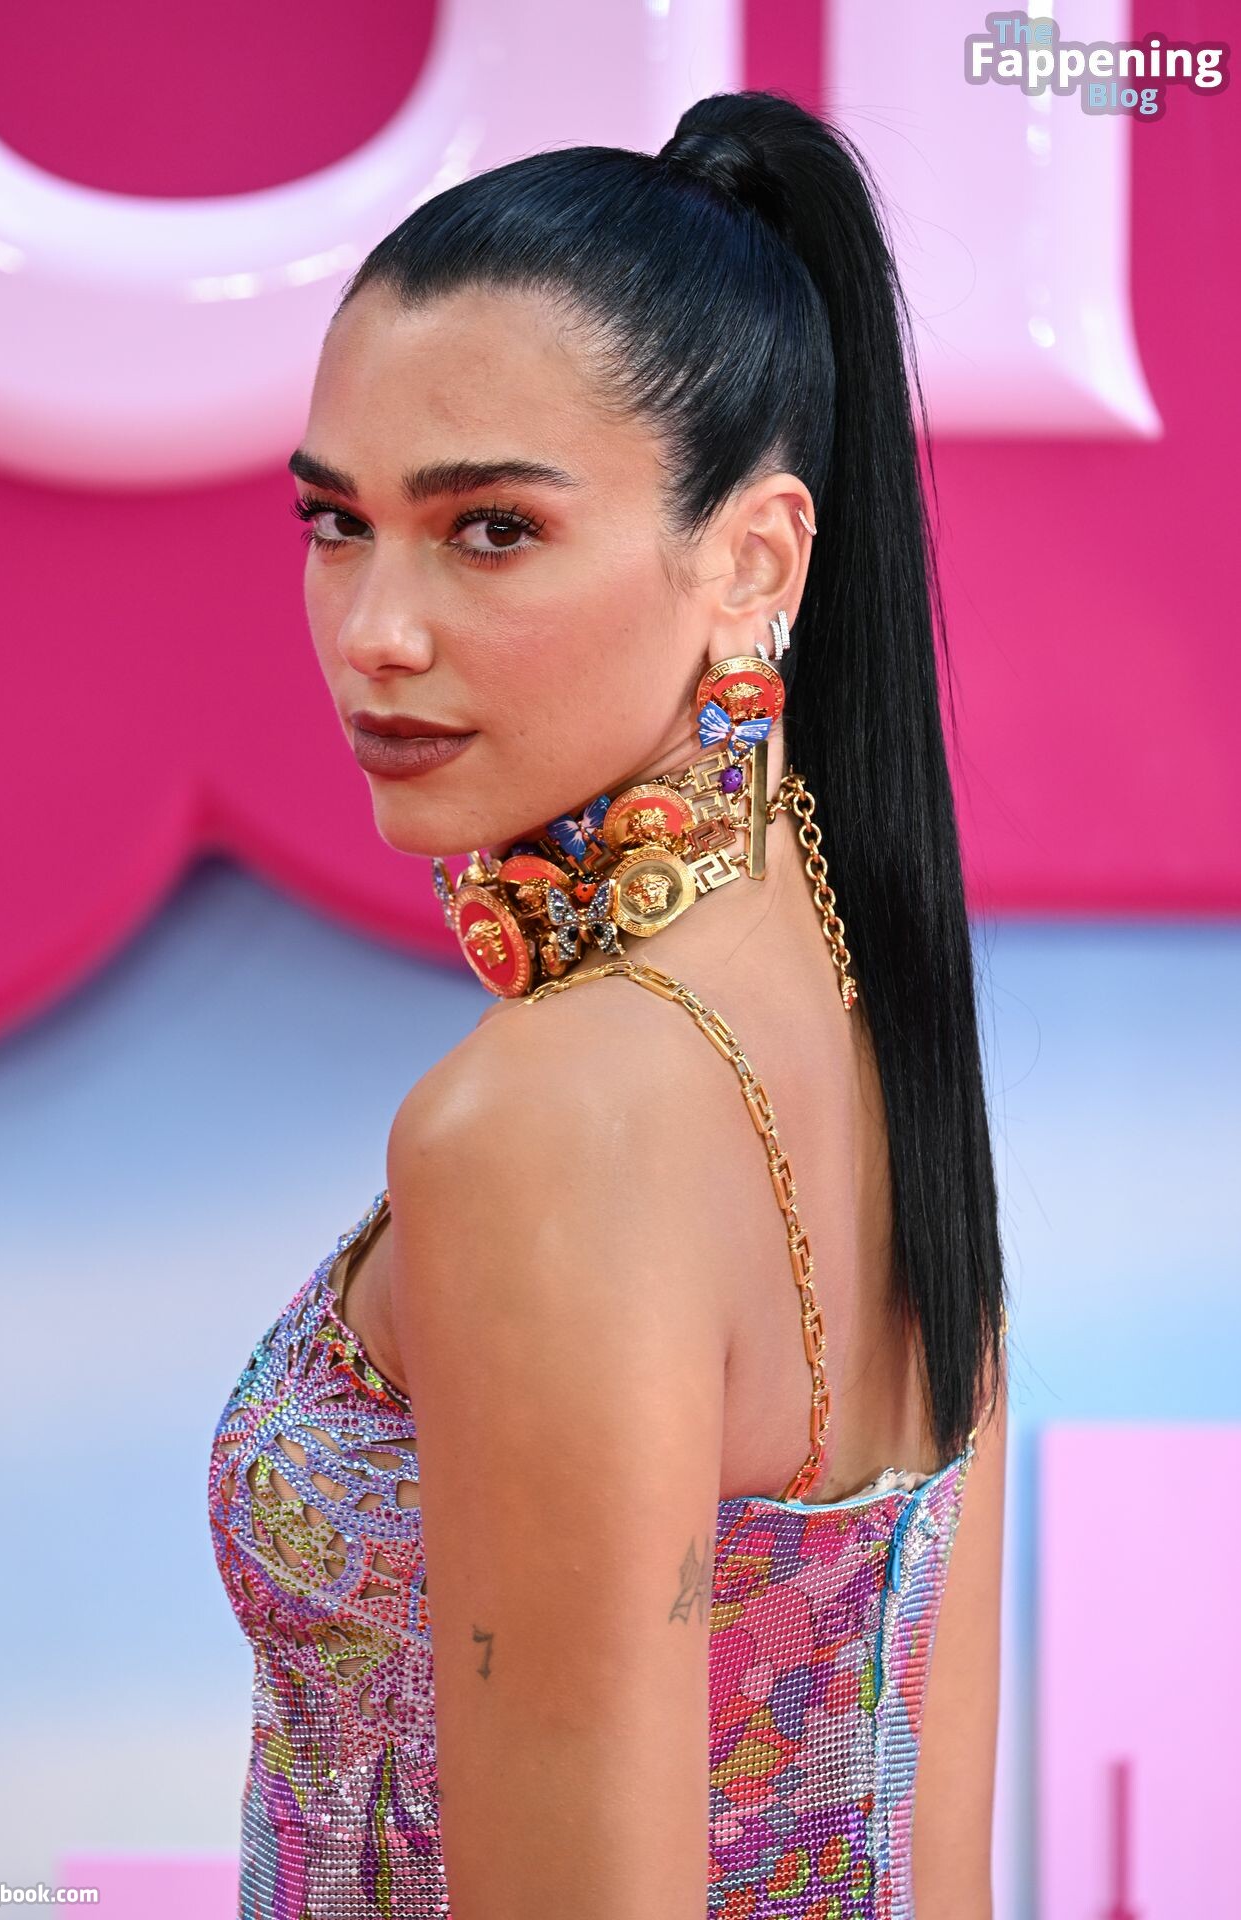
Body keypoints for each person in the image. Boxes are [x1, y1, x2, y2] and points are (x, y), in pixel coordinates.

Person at [209, 84, 1009, 1920]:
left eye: (490, 529)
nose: (375, 630)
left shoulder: (548, 1116)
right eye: (336, 523)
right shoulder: (875, 1033)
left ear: (753, 563)